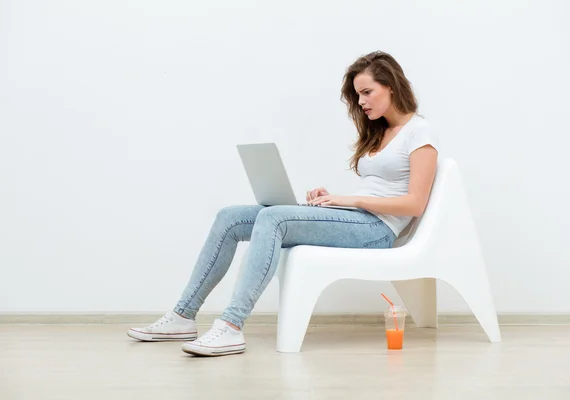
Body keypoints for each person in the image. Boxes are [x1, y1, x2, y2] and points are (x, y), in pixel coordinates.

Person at [127, 50, 439, 357]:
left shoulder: (419, 132)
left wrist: (350, 199)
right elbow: (379, 189)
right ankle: (183, 316)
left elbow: (414, 204)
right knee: (229, 217)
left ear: (392, 85)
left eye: (367, 92)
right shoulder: (381, 132)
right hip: (357, 217)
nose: (361, 102)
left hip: (378, 230)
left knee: (273, 219)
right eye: (358, 95)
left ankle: (231, 327)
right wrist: (333, 200)